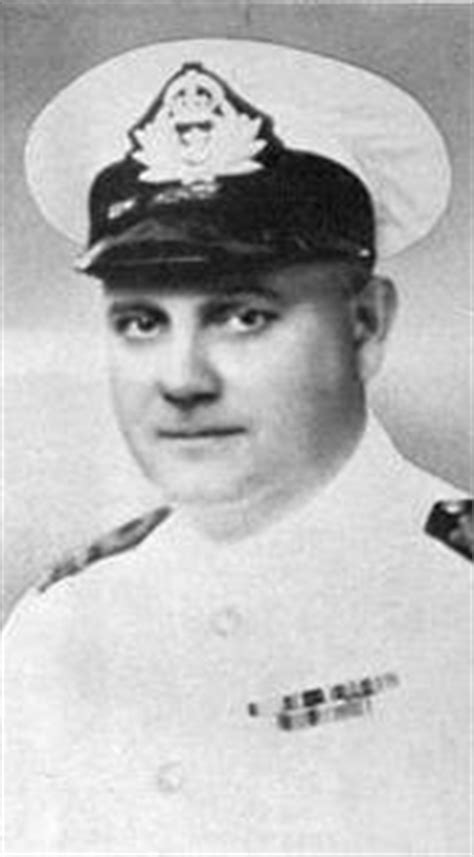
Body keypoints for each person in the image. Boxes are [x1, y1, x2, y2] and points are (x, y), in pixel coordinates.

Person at [3, 39, 472, 854]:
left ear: (365, 325)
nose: (182, 379)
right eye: (141, 322)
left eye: (244, 315)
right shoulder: (62, 623)